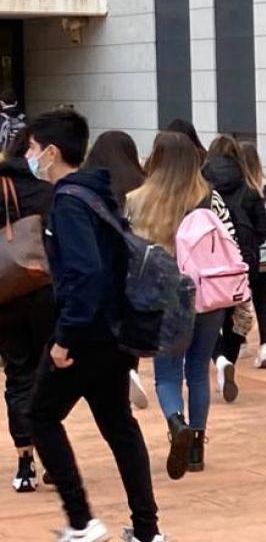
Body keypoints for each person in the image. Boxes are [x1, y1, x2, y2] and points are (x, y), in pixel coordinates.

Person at [24, 108, 166, 542]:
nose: (29, 156)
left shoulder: (68, 201)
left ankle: (82, 520)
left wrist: (65, 338)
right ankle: (146, 530)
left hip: (87, 335)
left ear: (51, 152)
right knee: (120, 427)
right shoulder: (96, 192)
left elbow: (85, 273)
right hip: (114, 331)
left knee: (39, 415)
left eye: (31, 148)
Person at [126, 132, 235, 480]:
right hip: (205, 292)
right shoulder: (209, 196)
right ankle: (197, 449)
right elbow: (228, 239)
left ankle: (177, 423)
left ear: (155, 158)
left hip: (162, 297)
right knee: (198, 370)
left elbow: (129, 248)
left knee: (167, 374)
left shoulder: (137, 199)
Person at [0, 128, 54, 494]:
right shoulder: (47, 191)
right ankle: (53, 454)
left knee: (18, 375)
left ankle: (25, 462)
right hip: (44, 292)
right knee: (46, 374)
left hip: (4, 296)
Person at [82, 130, 150, 410]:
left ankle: (117, 371)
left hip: (101, 264)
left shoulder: (90, 186)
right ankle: (130, 366)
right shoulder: (141, 185)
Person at [202, 135, 266, 403]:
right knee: (236, 316)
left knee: (206, 319)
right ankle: (228, 360)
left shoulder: (200, 186)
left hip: (207, 264)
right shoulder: (249, 187)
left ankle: (218, 359)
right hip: (242, 264)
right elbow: (263, 229)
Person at [239, 142, 266, 369]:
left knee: (238, 300)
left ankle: (241, 341)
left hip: (242, 256)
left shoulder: (236, 193)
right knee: (263, 300)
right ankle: (265, 345)